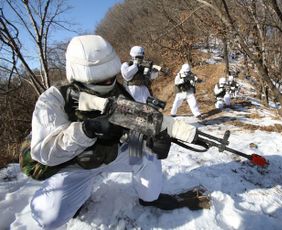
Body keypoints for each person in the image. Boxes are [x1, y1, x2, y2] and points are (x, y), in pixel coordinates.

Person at [29, 35, 189, 229]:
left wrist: (150, 142)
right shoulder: (53, 99)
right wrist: (86, 130)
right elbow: (44, 154)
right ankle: (79, 195)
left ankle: (149, 199)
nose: (109, 83)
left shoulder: (118, 91)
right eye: (101, 80)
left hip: (113, 153)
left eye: (111, 78)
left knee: (147, 157)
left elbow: (134, 128)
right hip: (75, 166)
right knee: (48, 217)